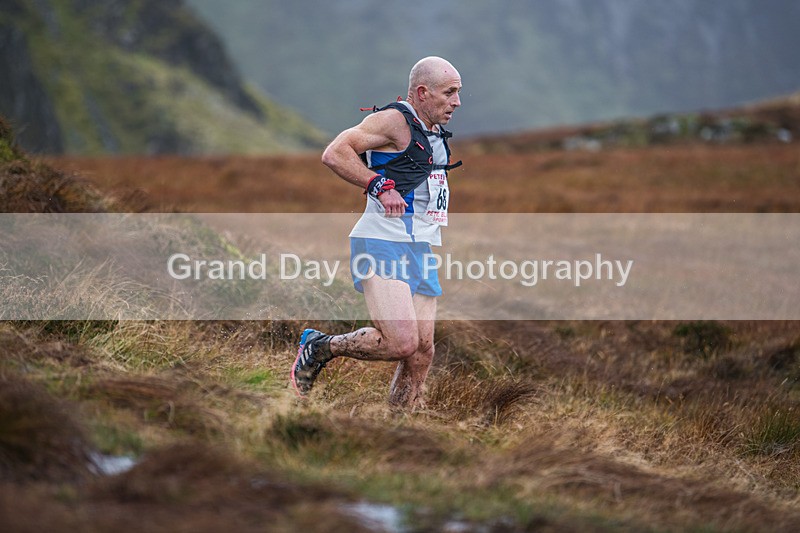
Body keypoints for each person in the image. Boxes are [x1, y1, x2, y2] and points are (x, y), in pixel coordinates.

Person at [291, 56, 462, 409]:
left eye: (458, 93)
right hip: (382, 240)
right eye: (450, 93)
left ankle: (400, 430)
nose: (457, 101)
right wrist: (378, 185)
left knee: (422, 350)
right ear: (422, 92)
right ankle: (321, 346)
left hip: (420, 246)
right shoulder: (393, 120)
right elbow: (335, 152)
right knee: (401, 343)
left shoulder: (433, 129)